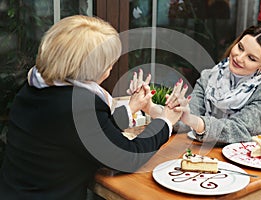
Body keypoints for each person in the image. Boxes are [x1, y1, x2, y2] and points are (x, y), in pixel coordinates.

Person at [0, 15, 186, 200]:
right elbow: (128, 157)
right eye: (109, 63)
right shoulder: (79, 106)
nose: (111, 68)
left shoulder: (36, 88)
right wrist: (165, 121)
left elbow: (86, 135)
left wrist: (131, 108)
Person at [172, 24, 261, 145]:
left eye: (251, 58)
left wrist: (195, 122)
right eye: (240, 48)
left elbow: (239, 129)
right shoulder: (209, 76)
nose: (239, 57)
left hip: (253, 158)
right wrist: (161, 114)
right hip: (209, 150)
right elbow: (189, 115)